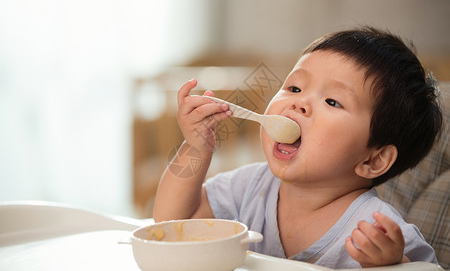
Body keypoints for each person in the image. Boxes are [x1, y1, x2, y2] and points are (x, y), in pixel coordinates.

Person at [152, 27, 442, 268]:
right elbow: (172, 222)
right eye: (294, 88)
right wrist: (196, 147)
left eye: (332, 101)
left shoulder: (375, 231)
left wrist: (392, 264)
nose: (298, 102)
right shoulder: (249, 187)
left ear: (374, 159)